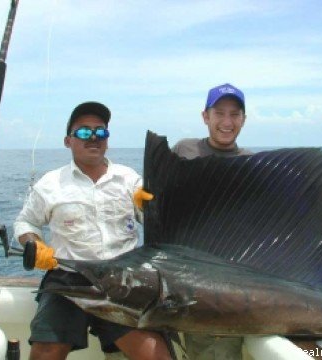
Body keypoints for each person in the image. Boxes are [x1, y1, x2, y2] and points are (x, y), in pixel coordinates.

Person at [13, 101, 171, 360]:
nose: (94, 138)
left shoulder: (129, 179)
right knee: (45, 352)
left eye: (101, 132)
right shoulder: (50, 184)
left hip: (123, 280)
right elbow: (25, 222)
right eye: (84, 132)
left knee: (157, 356)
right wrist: (34, 243)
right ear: (68, 141)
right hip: (68, 279)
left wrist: (149, 208)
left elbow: (155, 223)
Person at [172, 83, 251, 359]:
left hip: (226, 278)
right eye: (219, 113)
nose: (227, 122)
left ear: (243, 119)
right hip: (181, 270)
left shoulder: (251, 164)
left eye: (235, 114)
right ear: (205, 116)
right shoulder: (184, 150)